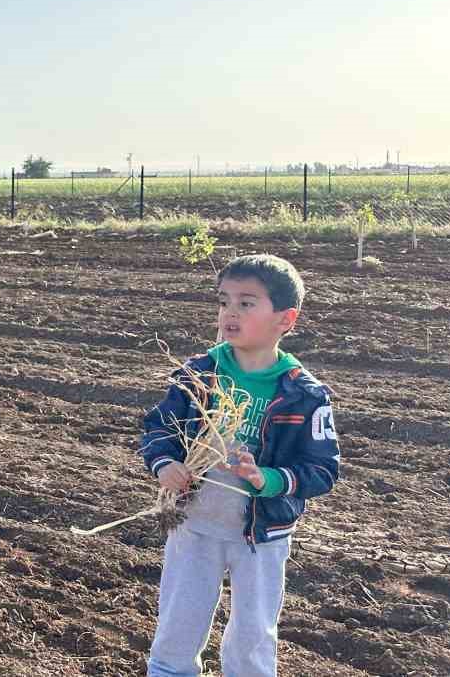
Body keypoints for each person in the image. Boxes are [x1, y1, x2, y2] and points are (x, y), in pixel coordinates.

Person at [142, 254, 340, 677]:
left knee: (252, 637)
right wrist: (165, 464)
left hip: (261, 536)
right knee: (177, 627)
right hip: (194, 525)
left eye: (247, 303)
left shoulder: (303, 393)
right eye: (224, 301)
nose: (230, 312)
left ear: (285, 319)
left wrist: (266, 479)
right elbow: (159, 427)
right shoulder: (198, 373)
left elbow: (322, 470)